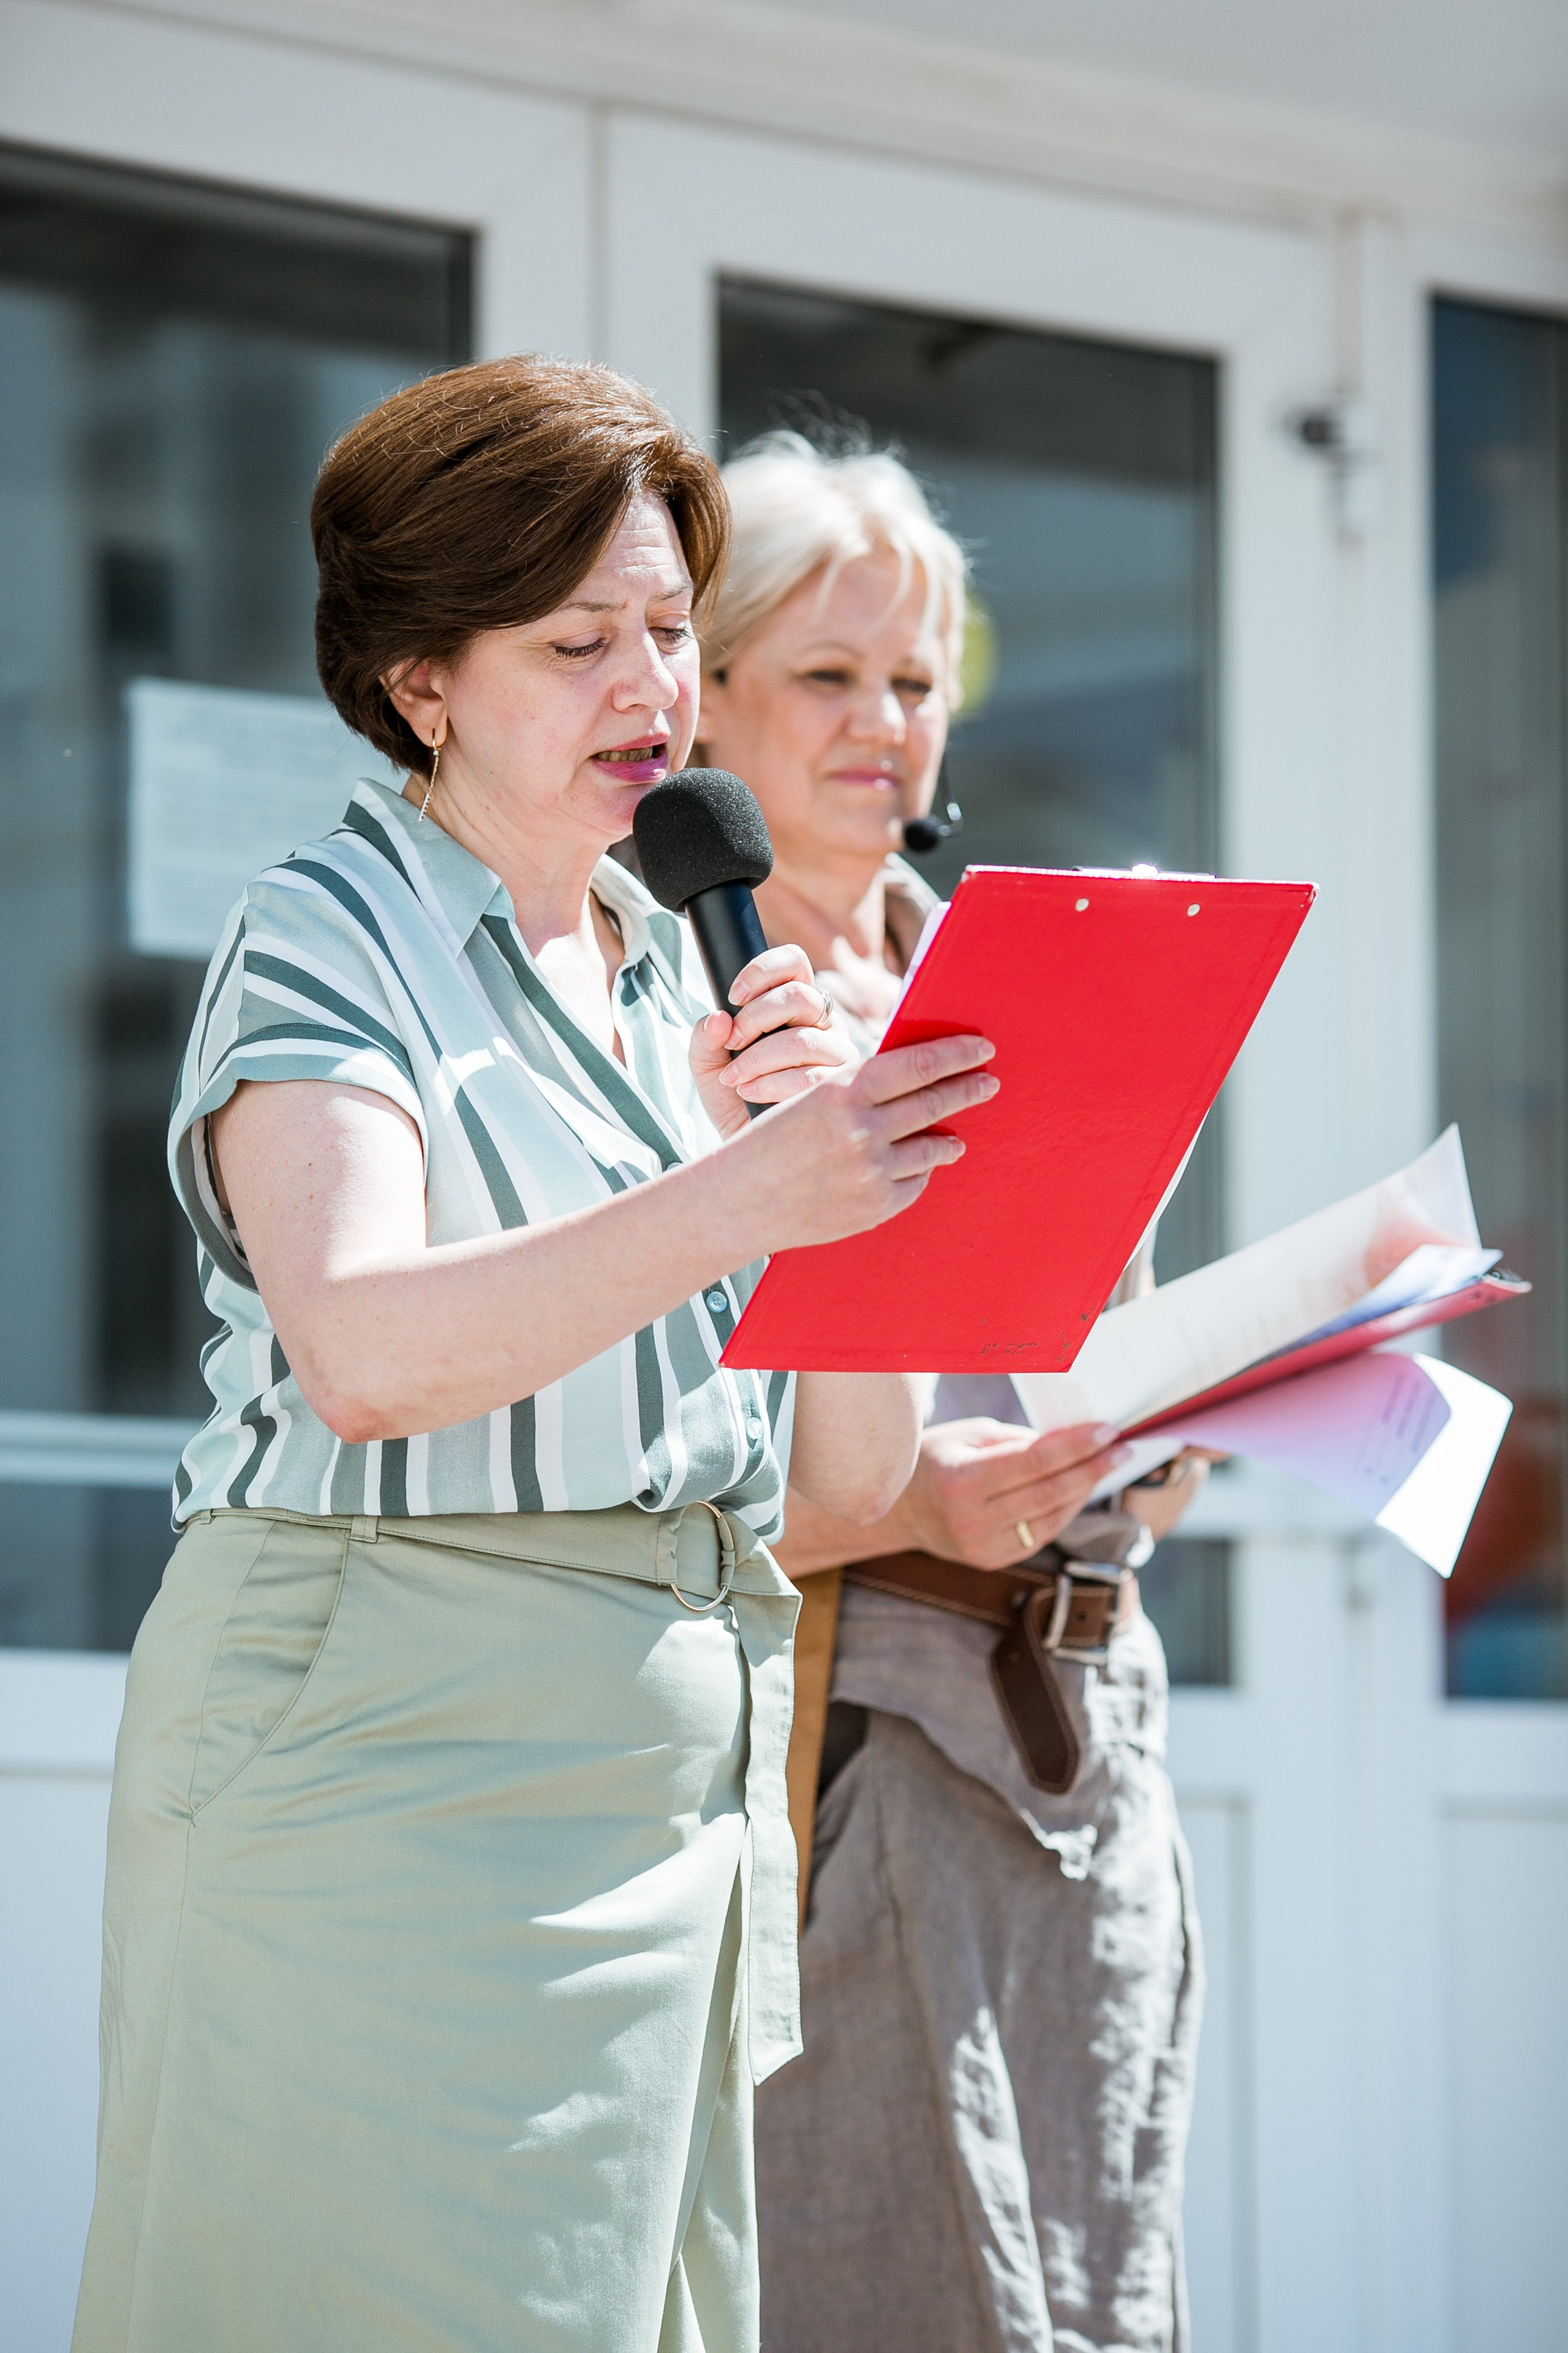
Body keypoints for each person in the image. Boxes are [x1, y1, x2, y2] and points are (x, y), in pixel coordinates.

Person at [71, 363, 1003, 2353]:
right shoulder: (329, 929)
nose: (649, 687)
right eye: (579, 643)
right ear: (422, 679)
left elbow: (845, 1488)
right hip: (385, 1750)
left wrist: (865, 1193)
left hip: (672, 1787)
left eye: (667, 629)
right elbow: (362, 1347)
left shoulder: (683, 970)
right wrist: (744, 1193)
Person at [694, 431, 1208, 2353]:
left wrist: (1163, 1431)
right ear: (706, 696)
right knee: (885, 2283)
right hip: (855, 1735)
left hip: (1093, 1727)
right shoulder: (673, 1006)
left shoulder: (1013, 973)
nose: (883, 723)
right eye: (827, 674)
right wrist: (917, 1505)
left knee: (1094, 2286)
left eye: (914, 681)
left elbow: (1103, 1365)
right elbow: (636, 1448)